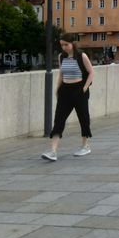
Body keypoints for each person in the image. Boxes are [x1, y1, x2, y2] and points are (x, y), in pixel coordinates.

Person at [42, 32, 94, 161]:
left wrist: (84, 87)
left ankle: (85, 146)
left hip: (79, 90)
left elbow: (91, 72)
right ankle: (53, 151)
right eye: (62, 45)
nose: (64, 47)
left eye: (66, 45)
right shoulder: (62, 57)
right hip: (65, 90)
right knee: (59, 119)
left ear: (73, 44)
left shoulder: (82, 56)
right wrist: (57, 89)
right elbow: (61, 74)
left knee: (83, 117)